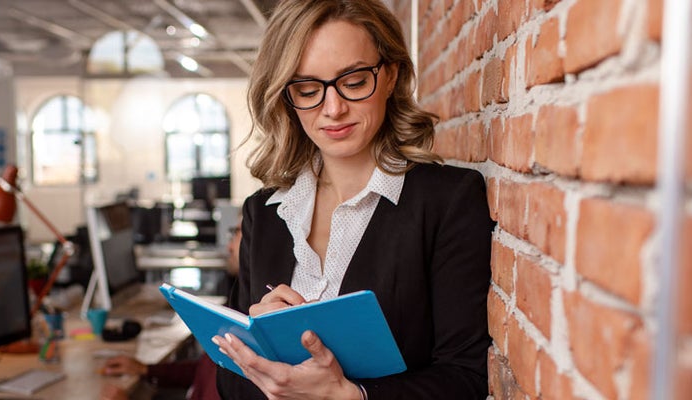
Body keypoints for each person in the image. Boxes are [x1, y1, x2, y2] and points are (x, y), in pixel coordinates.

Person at [212, 0, 494, 399]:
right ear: (286, 98)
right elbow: (227, 382)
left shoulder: (447, 200)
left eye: (355, 81)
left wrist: (349, 396)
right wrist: (256, 350)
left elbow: (467, 378)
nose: (333, 109)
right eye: (307, 89)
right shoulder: (264, 212)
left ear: (391, 75)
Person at [99, 221, 243, 400]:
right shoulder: (237, 305)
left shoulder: (246, 323)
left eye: (236, 233)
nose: (228, 246)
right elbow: (205, 372)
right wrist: (146, 369)